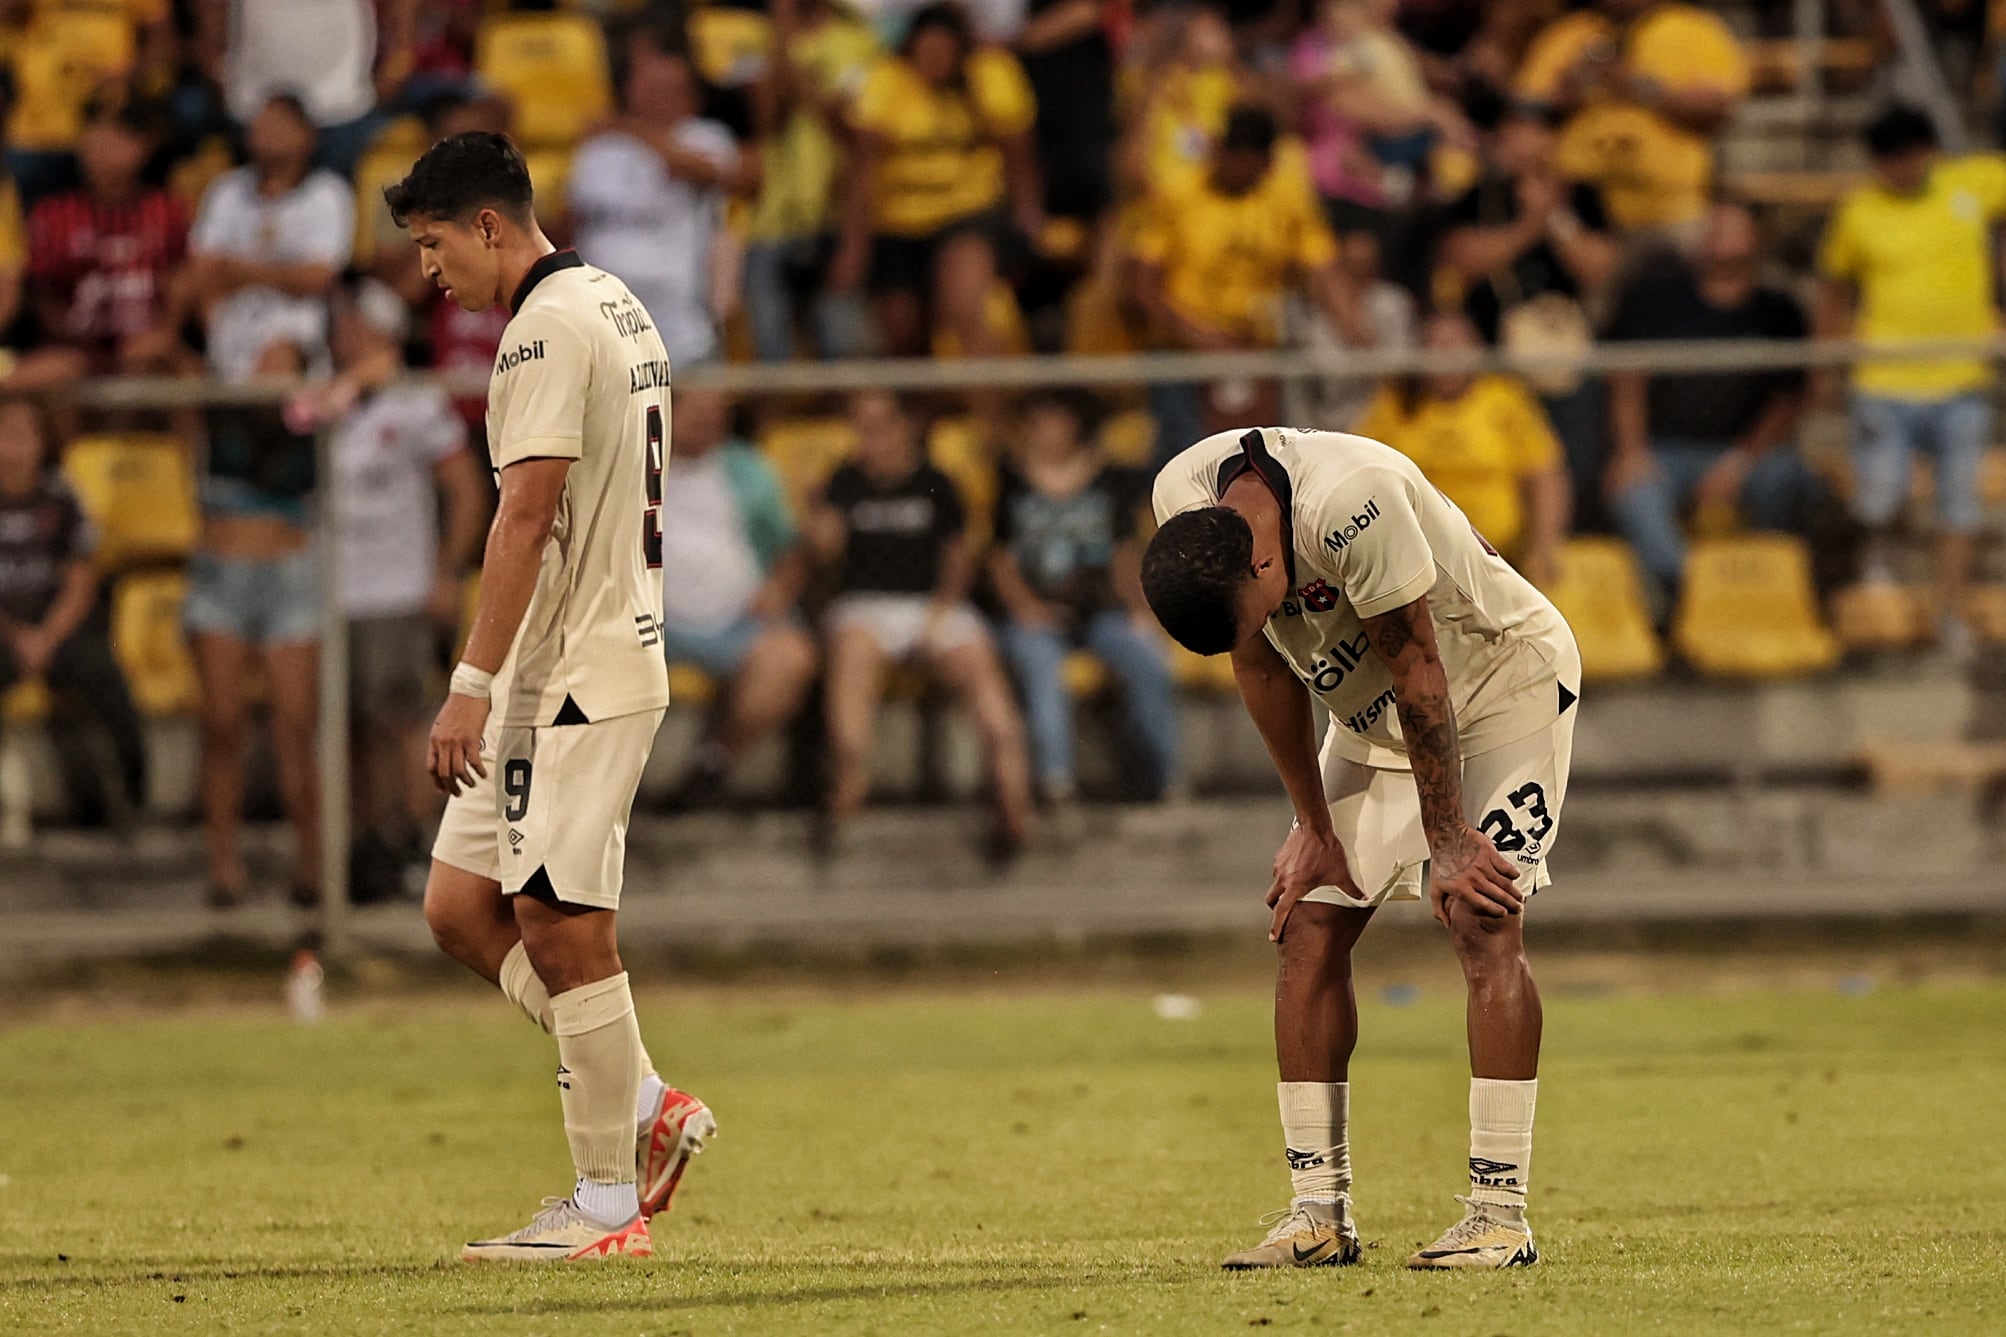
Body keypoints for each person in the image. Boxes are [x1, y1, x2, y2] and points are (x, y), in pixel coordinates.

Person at [386, 131, 714, 1262]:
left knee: (562, 921)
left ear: (486, 225)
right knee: (458, 905)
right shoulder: (614, 299)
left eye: (432, 244)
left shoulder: (538, 332)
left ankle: (606, 1208)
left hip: (574, 670)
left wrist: (468, 685)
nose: (429, 272)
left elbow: (525, 513)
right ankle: (645, 1101)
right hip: (567, 662)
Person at [1143, 425, 1580, 1271]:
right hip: (1372, 709)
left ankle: (1499, 1214)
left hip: (1495, 685)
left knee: (1479, 914)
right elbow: (1264, 667)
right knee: (1306, 920)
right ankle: (1318, 1217)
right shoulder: (1181, 502)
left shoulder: (1352, 500)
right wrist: (1313, 825)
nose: (1252, 631)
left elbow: (1420, 666)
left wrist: (1450, 839)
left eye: (1253, 614)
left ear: (1267, 567)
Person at [808, 389, 1034, 855]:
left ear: (904, 428)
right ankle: (850, 774)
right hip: (864, 607)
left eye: (879, 427)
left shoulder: (937, 482)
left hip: (931, 605)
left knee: (975, 660)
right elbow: (822, 551)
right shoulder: (845, 481)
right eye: (862, 428)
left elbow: (958, 556)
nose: (870, 438)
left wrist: (941, 611)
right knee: (853, 649)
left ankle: (1010, 791)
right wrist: (817, 515)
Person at [318, 283, 488, 897]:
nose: (342, 336)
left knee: (401, 719)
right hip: (335, 588)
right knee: (353, 725)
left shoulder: (414, 402)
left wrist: (444, 570)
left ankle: (414, 836)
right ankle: (367, 844)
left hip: (396, 587)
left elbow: (465, 490)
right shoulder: (325, 397)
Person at [1818, 106, 2003, 658]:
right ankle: (1884, 589)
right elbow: (1835, 289)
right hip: (1885, 382)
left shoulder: (1973, 186)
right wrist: (1830, 364)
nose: (1898, 170)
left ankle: (1950, 613)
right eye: (1887, 161)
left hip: (1962, 381)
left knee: (1959, 506)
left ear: (1928, 152)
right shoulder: (1858, 212)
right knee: (1881, 498)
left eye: (1907, 156)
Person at [1606, 197, 1816, 604]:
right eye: (1713, 226)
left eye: (1732, 228)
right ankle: (1690, 589)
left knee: (1788, 476)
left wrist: (1739, 461)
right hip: (1664, 451)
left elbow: (1787, 400)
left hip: (1745, 453)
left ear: (1758, 240)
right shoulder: (1658, 299)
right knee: (1633, 490)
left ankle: (1764, 590)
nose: (1718, 236)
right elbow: (1626, 379)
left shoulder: (1779, 311)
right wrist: (1631, 450)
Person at [1131, 104, 1366, 463]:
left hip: (1259, 350)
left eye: (1251, 165)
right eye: (1234, 160)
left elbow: (1322, 270)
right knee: (1186, 460)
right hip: (1183, 353)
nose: (1241, 173)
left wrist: (1359, 339)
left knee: (1266, 461)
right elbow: (1145, 285)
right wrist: (1199, 338)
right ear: (1219, 152)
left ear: (1268, 162)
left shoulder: (1287, 197)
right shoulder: (1176, 193)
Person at [991, 390, 1180, 804]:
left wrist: (1140, 611)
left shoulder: (1108, 479)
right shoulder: (1010, 478)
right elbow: (1001, 557)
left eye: (1051, 419)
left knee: (1148, 658)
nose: (1041, 429)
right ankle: (1056, 780)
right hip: (1038, 613)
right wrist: (1025, 608)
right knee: (1041, 665)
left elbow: (1123, 553)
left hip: (1100, 612)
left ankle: (1165, 778)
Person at [833, 2, 1043, 358]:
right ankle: (921, 411)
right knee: (902, 332)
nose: (934, 61)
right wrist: (854, 245)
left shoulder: (989, 76)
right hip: (896, 224)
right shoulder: (886, 81)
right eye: (926, 51)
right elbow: (862, 169)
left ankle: (994, 411)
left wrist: (1028, 210)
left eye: (943, 52)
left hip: (967, 214)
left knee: (964, 311)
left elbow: (1019, 151)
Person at [1439, 101, 1617, 512]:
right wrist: (1528, 226)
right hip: (1496, 365)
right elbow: (1461, 258)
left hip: (1565, 362)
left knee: (1572, 462)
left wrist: (1554, 216)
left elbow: (1599, 269)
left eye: (1531, 130)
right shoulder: (1479, 196)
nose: (1521, 141)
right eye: (1511, 130)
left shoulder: (1580, 195)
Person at [655, 387, 818, 807]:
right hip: (652, 624)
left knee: (792, 656)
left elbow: (790, 547)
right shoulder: (634, 463)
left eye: (716, 413)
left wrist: (780, 587)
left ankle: (711, 762)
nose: (708, 420)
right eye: (696, 411)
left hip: (736, 621)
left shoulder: (748, 470)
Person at [0, 396, 147, 823]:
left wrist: (46, 636)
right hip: (5, 634)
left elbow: (81, 579)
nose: (15, 446)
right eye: (6, 434)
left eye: (25, 434)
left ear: (42, 441)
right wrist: (17, 636)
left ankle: (136, 798)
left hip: (57, 634)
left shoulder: (63, 498)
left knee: (110, 680)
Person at [1354, 311, 1567, 589]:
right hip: (1418, 562)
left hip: (1501, 561)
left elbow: (1544, 474)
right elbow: (1359, 472)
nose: (1445, 356)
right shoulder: (1395, 405)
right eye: (1435, 346)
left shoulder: (1505, 399)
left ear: (1477, 350)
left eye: (1454, 344)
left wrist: (1544, 547)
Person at [567, 33, 743, 369]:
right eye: (645, 87)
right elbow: (574, 216)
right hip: (605, 321)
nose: (653, 96)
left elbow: (698, 169)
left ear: (689, 96)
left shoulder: (704, 136)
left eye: (665, 89)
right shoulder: (600, 150)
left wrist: (627, 128)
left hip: (680, 321)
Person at [1513, 0, 1748, 236]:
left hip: (1670, 210)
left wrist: (1636, 87)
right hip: (1579, 205)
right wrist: (1567, 95)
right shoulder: (1573, 32)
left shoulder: (1690, 28)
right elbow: (1526, 113)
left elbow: (1716, 108)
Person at [14, 95, 191, 392]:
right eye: (94, 141)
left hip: (150, 347)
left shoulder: (169, 211)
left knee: (181, 368)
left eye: (114, 141)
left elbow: (184, 278)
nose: (100, 151)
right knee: (52, 372)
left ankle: (196, 441)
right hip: (78, 351)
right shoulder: (54, 215)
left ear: (144, 147)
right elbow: (41, 295)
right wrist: (82, 345)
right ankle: (68, 441)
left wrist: (166, 331)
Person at [740, 0, 878, 362]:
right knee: (771, 356)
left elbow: (851, 128)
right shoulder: (759, 39)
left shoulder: (856, 40)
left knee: (844, 351)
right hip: (767, 221)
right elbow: (765, 118)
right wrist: (782, 35)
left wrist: (855, 240)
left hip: (833, 216)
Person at [183, 93, 354, 384]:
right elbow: (203, 267)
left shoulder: (328, 193)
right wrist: (284, 273)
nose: (267, 133)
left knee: (279, 364)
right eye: (261, 125)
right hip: (230, 318)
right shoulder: (226, 190)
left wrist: (237, 269)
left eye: (280, 125)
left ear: (307, 136)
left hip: (297, 322)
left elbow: (317, 278)